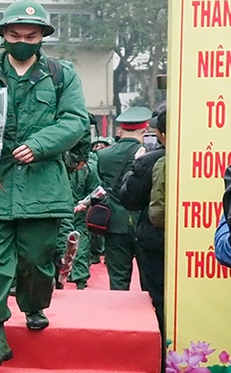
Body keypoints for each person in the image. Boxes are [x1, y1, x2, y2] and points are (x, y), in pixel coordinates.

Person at [0, 0, 91, 367]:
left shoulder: (62, 75)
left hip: (43, 184)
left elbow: (76, 121)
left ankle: (33, 305)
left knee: (36, 258)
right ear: (3, 36)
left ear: (43, 37)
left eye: (31, 35)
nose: (23, 40)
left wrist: (40, 145)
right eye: (15, 35)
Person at [118, 111, 168, 335]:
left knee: (156, 297)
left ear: (161, 134)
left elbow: (129, 199)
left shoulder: (148, 160)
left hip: (155, 239)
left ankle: (163, 352)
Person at [94, 107, 150, 291]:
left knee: (118, 281)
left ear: (121, 130)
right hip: (144, 224)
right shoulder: (151, 156)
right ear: (145, 128)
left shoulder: (103, 155)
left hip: (114, 224)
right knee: (149, 282)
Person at [60, 139, 103, 289]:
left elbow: (97, 191)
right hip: (63, 210)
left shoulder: (87, 169)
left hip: (75, 212)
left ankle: (79, 277)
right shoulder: (82, 167)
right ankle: (69, 277)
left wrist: (83, 204)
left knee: (81, 244)